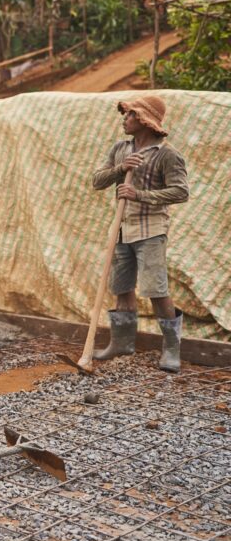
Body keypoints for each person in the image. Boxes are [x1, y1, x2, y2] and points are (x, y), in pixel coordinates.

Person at [91, 96, 189, 372]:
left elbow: (181, 191)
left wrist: (139, 194)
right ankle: (122, 343)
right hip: (122, 229)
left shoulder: (166, 154)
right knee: (121, 288)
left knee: (156, 290)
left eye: (130, 115)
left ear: (144, 121)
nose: (124, 119)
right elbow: (97, 181)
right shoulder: (120, 149)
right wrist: (121, 169)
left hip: (151, 231)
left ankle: (171, 349)